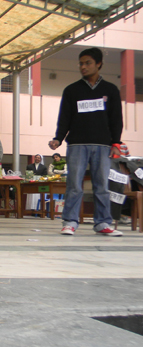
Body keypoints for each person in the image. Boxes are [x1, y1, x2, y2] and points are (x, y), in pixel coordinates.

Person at [49, 47, 123, 236]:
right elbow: (65, 117)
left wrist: (116, 143)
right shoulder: (72, 90)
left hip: (103, 145)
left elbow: (116, 118)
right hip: (77, 144)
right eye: (81, 63)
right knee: (74, 184)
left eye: (88, 63)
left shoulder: (110, 90)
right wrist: (58, 138)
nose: (83, 66)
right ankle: (70, 222)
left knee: (102, 186)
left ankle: (102, 223)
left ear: (99, 64)